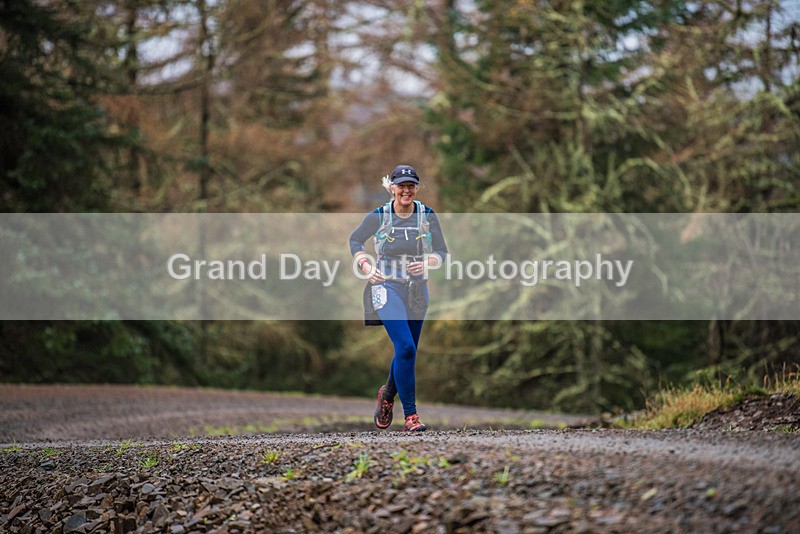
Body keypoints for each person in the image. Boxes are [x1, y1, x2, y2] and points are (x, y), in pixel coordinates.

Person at [349, 164, 448, 432]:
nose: (406, 190)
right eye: (401, 185)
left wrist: (428, 263)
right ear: (391, 188)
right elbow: (355, 240)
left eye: (411, 185)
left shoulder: (426, 215)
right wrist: (366, 266)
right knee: (405, 347)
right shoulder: (379, 215)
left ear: (417, 188)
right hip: (385, 286)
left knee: (409, 351)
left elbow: (442, 252)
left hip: (417, 289)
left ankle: (387, 395)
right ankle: (412, 416)